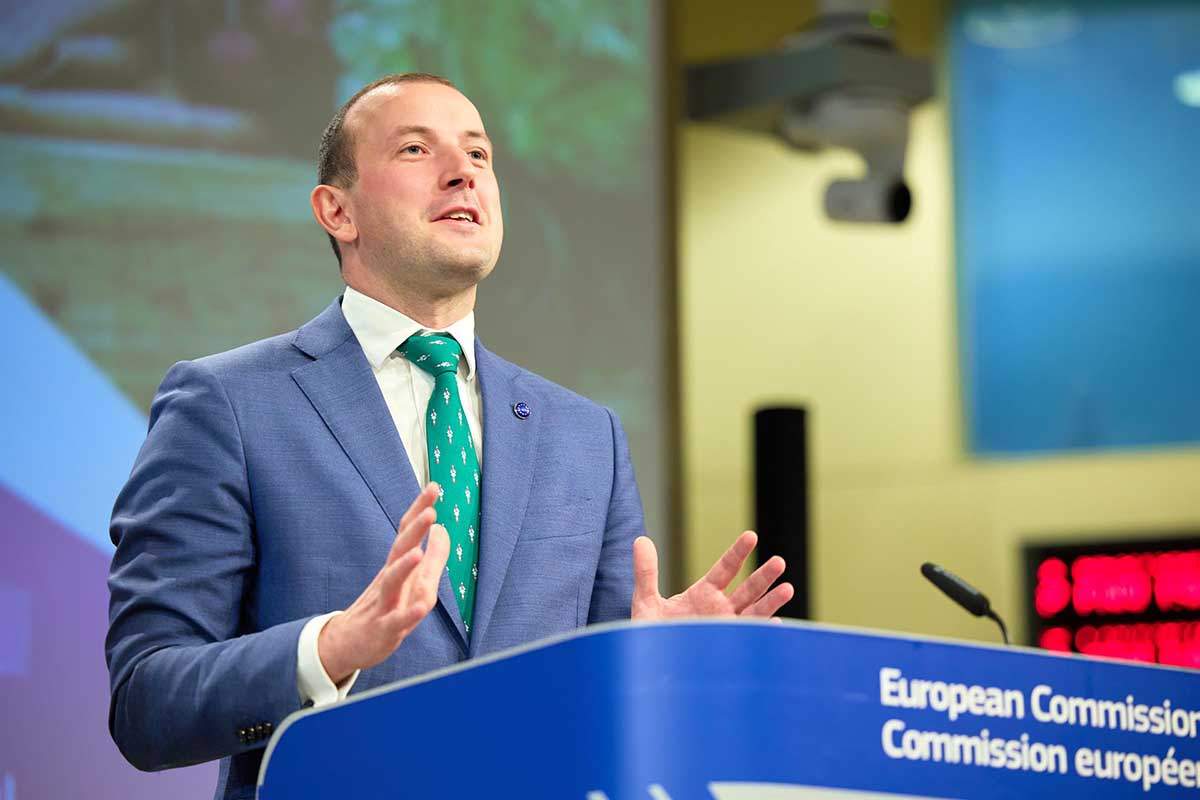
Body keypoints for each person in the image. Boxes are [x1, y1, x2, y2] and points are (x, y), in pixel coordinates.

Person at [105, 73, 792, 799]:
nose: (463, 171)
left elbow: (606, 730)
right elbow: (148, 701)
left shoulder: (587, 436)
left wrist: (647, 668)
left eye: (480, 155)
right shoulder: (229, 404)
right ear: (337, 211)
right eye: (414, 149)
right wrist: (330, 649)